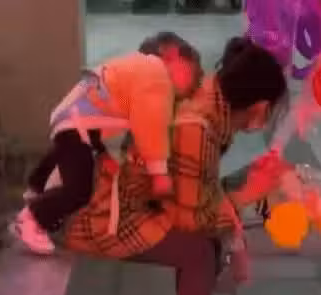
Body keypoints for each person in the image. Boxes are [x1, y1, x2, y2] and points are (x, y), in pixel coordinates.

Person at [61, 36, 290, 295]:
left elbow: (196, 186)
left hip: (125, 196)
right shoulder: (196, 127)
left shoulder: (209, 97)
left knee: (209, 238)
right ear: (260, 108)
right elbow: (193, 219)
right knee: (199, 251)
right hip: (103, 215)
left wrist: (245, 186)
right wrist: (247, 194)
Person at [12, 32, 203, 255]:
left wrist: (106, 155)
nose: (195, 85)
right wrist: (159, 173)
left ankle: (36, 190)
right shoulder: (156, 74)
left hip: (76, 120)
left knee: (65, 158)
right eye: (193, 72)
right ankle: (31, 218)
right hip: (79, 124)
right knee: (79, 190)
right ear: (171, 54)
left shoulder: (135, 71)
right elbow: (151, 124)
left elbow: (121, 121)